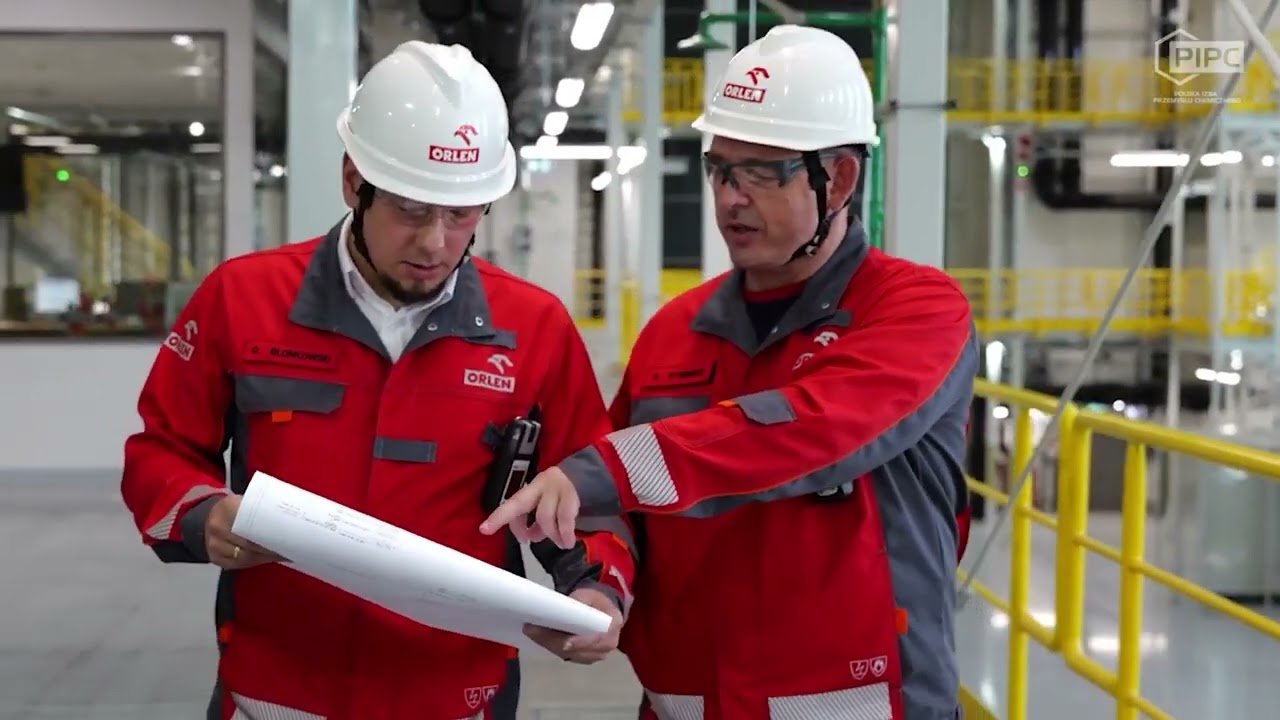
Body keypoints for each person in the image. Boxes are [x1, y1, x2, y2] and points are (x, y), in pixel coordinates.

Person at [120, 41, 635, 720]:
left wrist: (597, 590)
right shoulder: (242, 300)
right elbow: (161, 451)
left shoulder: (534, 329)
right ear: (352, 181)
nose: (435, 243)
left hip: (455, 695)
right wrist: (203, 514)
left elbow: (593, 493)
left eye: (461, 213)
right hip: (274, 691)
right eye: (412, 209)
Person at [480, 25, 979, 720]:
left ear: (838, 179)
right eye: (720, 169)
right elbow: (616, 510)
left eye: (762, 173)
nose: (730, 198)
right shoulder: (675, 333)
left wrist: (602, 468)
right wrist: (600, 586)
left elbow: (807, 430)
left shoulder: (915, 311)